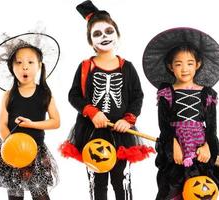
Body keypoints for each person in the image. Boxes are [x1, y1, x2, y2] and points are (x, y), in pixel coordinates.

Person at [59, 1, 154, 200]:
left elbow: (138, 96)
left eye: (109, 31)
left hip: (121, 133)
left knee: (122, 180)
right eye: (97, 34)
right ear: (91, 42)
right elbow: (73, 95)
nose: (104, 37)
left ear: (117, 35)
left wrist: (128, 119)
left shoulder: (127, 67)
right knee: (97, 181)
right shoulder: (86, 66)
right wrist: (92, 112)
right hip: (92, 132)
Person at [142, 27, 219, 200]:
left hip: (200, 145)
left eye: (190, 63)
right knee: (173, 188)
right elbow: (163, 125)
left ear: (198, 64)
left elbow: (212, 126)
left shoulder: (207, 93)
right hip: (175, 144)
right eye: (178, 64)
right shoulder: (167, 92)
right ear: (170, 66)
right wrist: (174, 147)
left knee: (200, 189)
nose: (184, 68)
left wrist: (208, 146)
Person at [0, 33, 60, 200]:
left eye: (30, 62)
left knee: (40, 194)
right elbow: (2, 123)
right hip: (12, 150)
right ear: (12, 67)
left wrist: (31, 125)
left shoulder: (45, 94)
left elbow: (55, 122)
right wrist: (10, 143)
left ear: (39, 66)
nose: (25, 67)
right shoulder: (9, 95)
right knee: (15, 195)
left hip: (35, 151)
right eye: (19, 62)